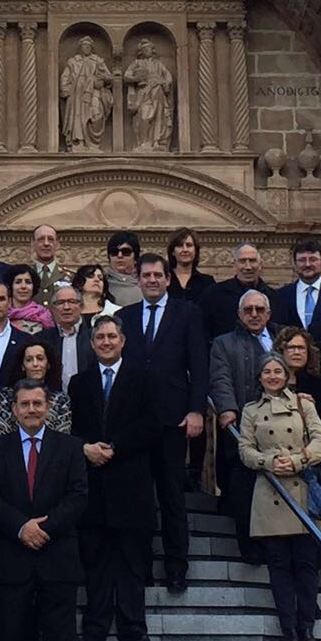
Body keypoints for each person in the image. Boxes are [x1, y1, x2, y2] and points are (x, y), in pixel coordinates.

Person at [0, 379, 89, 641]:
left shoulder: (70, 448)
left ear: (48, 408)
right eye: (24, 404)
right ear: (13, 410)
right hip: (13, 558)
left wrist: (44, 530)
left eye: (37, 404)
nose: (31, 410)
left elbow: (78, 497)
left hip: (57, 557)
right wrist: (20, 527)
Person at [118, 253, 208, 594]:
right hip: (136, 422)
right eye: (146, 275)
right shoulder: (125, 317)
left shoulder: (188, 313)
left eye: (158, 275)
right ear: (138, 279)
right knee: (139, 498)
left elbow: (199, 364)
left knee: (172, 497)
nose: (152, 280)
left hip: (174, 419)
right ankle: (141, 567)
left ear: (168, 279)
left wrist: (197, 409)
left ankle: (176, 567)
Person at [70, 317, 162, 641]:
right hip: (93, 486)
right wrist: (88, 449)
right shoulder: (79, 383)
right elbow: (74, 427)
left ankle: (132, 626)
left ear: (123, 341)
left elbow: (152, 424)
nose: (106, 342)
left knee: (132, 563)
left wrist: (116, 448)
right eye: (100, 337)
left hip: (130, 484)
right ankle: (95, 625)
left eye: (112, 336)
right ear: (92, 343)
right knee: (95, 563)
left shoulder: (144, 379)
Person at [239, 353, 321, 641]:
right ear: (260, 377)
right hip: (270, 491)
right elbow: (245, 449)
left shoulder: (305, 405)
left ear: (287, 375)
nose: (273, 376)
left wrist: (298, 460)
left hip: (303, 490)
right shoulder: (251, 410)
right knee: (278, 567)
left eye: (278, 371)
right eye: (267, 372)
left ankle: (308, 626)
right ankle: (287, 628)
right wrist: (269, 461)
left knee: (305, 565)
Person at [209, 289, 276, 563]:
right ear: (239, 314)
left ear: (268, 314)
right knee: (245, 490)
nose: (254, 314)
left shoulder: (281, 338)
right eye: (248, 309)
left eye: (260, 309)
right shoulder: (223, 343)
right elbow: (220, 378)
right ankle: (250, 548)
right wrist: (227, 409)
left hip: (278, 428)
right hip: (244, 427)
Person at [272, 325, 321, 439]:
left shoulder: (320, 385)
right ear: (281, 351)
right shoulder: (271, 381)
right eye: (291, 347)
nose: (297, 352)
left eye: (301, 348)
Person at [0, 337, 71, 434]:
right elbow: (3, 435)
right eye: (29, 360)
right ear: (22, 366)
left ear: (48, 364)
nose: (35, 364)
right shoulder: (7, 396)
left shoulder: (61, 399)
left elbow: (63, 439)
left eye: (40, 359)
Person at [273, 239, 321, 343]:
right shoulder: (281, 296)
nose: (307, 264)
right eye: (302, 260)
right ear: (295, 265)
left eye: (313, 259)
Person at [205, 244, 266, 339]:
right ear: (234, 265)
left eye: (252, 261)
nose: (248, 267)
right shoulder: (213, 295)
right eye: (242, 261)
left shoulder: (274, 297)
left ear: (260, 265)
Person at [49, 284, 95, 389]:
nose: (66, 307)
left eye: (72, 302)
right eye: (60, 303)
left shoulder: (94, 337)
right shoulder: (43, 339)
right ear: (52, 308)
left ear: (81, 306)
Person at [166, 227, 214, 311]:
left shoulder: (207, 282)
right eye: (180, 246)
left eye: (189, 245)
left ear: (195, 250)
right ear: (173, 252)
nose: (185, 250)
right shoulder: (164, 279)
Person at [7, 265, 55, 333]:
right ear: (10, 286)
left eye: (28, 282)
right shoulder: (1, 312)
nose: (23, 286)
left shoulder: (43, 314)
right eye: (18, 282)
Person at [104, 231, 143, 310]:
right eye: (114, 252)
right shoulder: (101, 284)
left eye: (126, 252)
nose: (120, 256)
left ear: (135, 257)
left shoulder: (146, 282)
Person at [28, 224, 64, 306]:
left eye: (51, 239)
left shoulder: (69, 277)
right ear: (33, 244)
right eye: (41, 239)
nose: (46, 243)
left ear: (57, 245)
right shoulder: (25, 276)